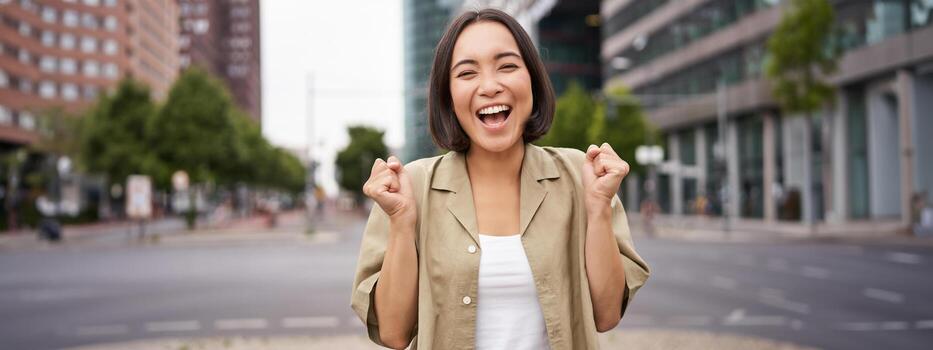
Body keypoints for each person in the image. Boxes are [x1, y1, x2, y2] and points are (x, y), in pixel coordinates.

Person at [352, 9, 649, 350]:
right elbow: (393, 333)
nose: (490, 86)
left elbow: (606, 314)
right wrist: (402, 224)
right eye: (467, 73)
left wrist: (598, 210)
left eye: (507, 66)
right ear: (447, 96)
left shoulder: (581, 176)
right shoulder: (408, 189)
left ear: (533, 80)